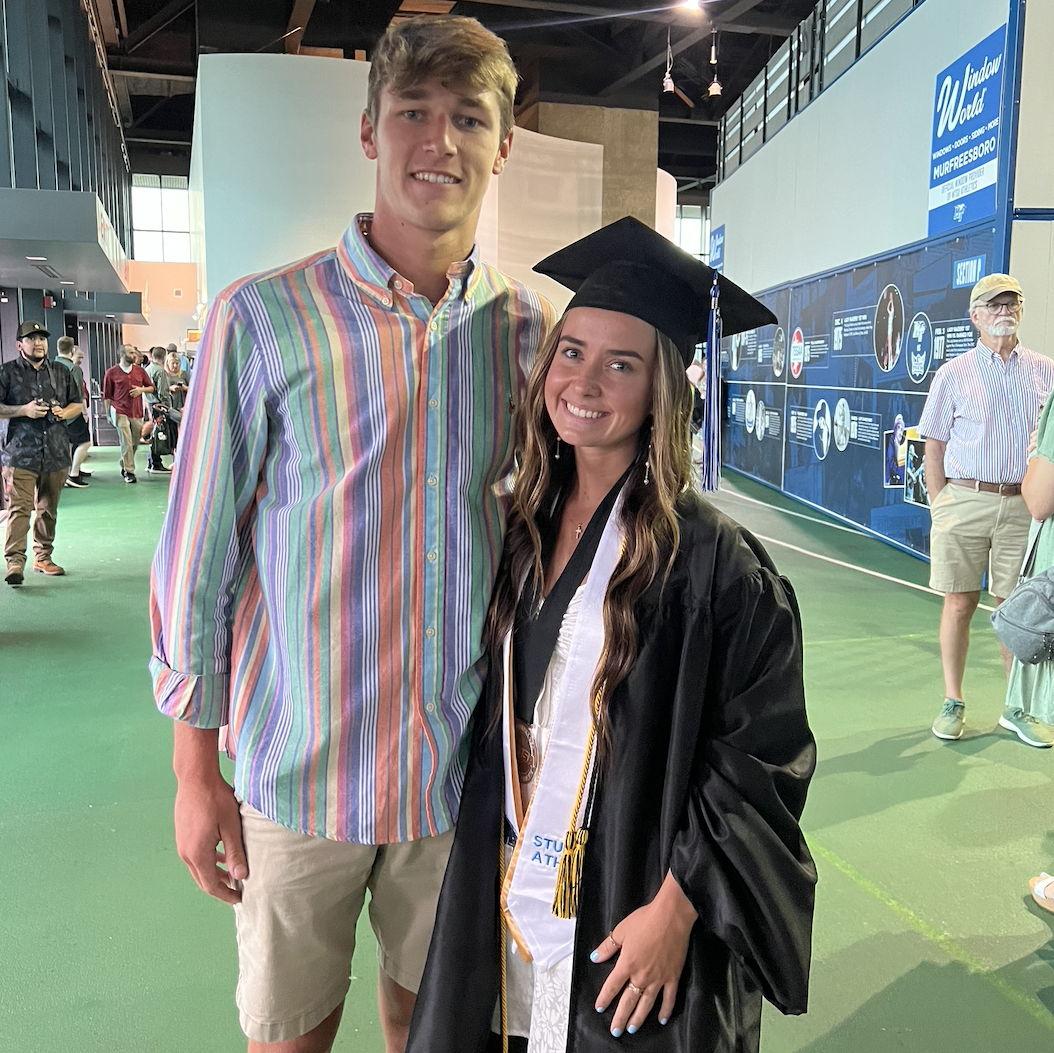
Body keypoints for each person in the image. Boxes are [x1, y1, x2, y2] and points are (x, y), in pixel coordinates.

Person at [148, 16, 552, 1053]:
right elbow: (198, 559)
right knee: (289, 1034)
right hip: (298, 773)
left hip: (454, 778)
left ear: (504, 143)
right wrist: (195, 773)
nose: (440, 141)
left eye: (469, 118)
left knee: (435, 1025)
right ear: (370, 133)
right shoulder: (261, 319)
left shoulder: (527, 333)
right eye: (413, 112)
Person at [406, 217, 816, 1053]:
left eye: (621, 364)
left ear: (662, 390)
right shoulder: (521, 526)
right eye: (572, 352)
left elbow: (761, 757)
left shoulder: (715, 565)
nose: (585, 381)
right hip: (507, 879)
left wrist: (679, 907)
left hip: (634, 892)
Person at [921, 273, 1054, 745]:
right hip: (963, 500)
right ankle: (953, 701)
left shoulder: (1045, 370)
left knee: (1016, 609)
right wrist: (940, 504)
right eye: (994, 305)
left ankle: (1016, 708)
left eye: (1011, 303)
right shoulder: (953, 373)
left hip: (1024, 506)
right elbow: (934, 446)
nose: (1004, 312)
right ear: (975, 316)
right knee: (959, 602)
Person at [0, 321, 83, 585]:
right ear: (19, 345)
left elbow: (78, 404)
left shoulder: (61, 371)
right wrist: (23, 410)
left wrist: (64, 412)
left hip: (56, 452)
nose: (38, 343)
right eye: (31, 338)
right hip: (19, 453)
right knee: (20, 508)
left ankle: (43, 557)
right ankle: (15, 562)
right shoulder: (6, 372)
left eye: (42, 339)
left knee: (48, 509)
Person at [103, 345, 154, 484]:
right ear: (122, 354)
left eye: (134, 352)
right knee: (126, 441)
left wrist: (141, 390)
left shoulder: (140, 371)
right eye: (131, 353)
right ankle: (129, 471)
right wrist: (108, 414)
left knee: (135, 441)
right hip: (120, 410)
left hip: (136, 411)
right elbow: (107, 396)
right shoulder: (111, 373)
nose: (134, 355)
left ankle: (124, 462)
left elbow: (151, 387)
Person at [54, 336, 92, 488]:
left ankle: (68, 473)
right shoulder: (73, 369)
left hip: (56, 412)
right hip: (72, 413)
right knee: (85, 442)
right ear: (71, 350)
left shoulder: (50, 366)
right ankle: (74, 475)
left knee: (69, 444)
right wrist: (84, 412)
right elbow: (79, 394)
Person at [143, 345, 173, 474]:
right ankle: (156, 463)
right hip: (158, 405)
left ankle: (151, 461)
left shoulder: (147, 369)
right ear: (164, 357)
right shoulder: (160, 371)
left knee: (154, 432)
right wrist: (167, 406)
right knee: (159, 433)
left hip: (149, 403)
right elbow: (163, 392)